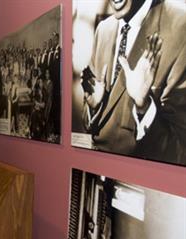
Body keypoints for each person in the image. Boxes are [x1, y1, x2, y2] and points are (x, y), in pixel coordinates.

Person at [80, 0, 186, 165]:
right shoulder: (103, 30)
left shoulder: (181, 28)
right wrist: (95, 109)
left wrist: (144, 107)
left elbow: (179, 151)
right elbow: (92, 128)